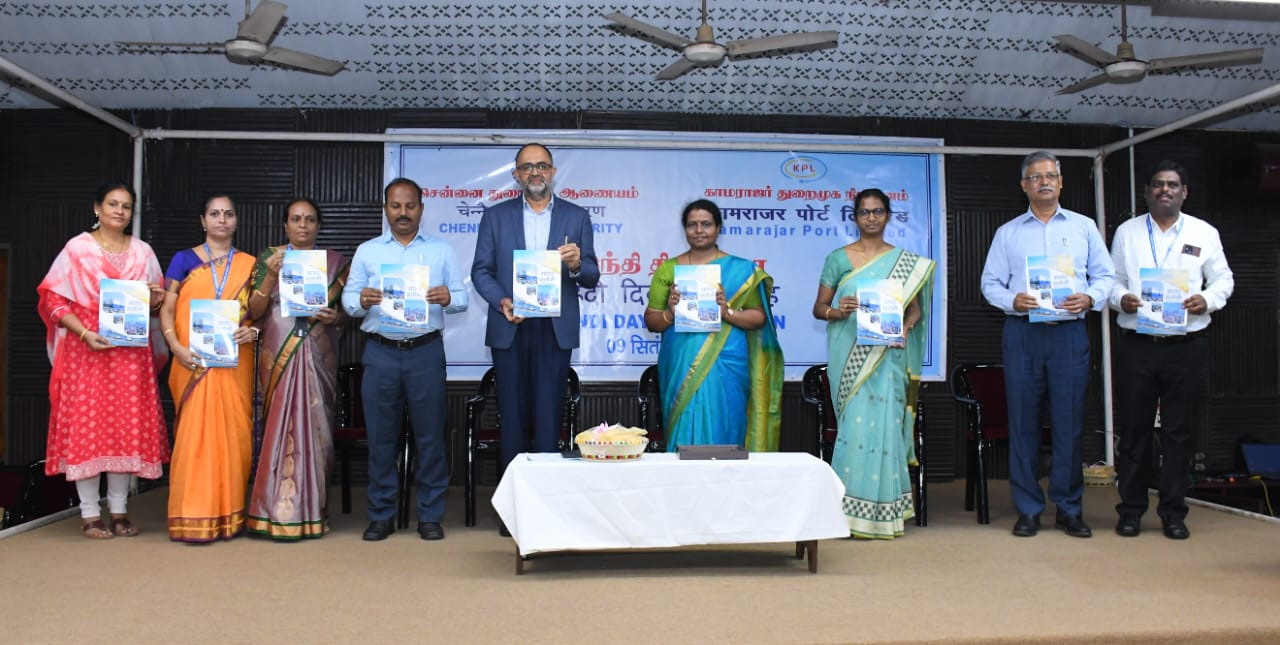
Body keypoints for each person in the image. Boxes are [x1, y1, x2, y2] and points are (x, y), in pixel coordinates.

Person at [980, 151, 1115, 538]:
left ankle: (1070, 508)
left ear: (1061, 182)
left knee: (1069, 424)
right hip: (1023, 333)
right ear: (1024, 185)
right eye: (1035, 177)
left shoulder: (1085, 227)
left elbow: (1105, 275)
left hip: (1068, 335)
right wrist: (1012, 300)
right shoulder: (1008, 232)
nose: (1043, 182)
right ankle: (1028, 509)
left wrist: (1089, 297)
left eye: (1050, 176)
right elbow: (990, 284)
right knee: (1022, 423)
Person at [36, 182, 170, 539]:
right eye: (112, 204)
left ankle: (120, 511)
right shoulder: (77, 249)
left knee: (124, 430)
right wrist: (83, 334)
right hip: (88, 351)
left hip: (130, 356)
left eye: (126, 206)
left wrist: (156, 299)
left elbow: (156, 304)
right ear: (97, 207)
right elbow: (54, 301)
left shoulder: (143, 252)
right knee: (88, 430)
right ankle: (90, 514)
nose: (119, 211)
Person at [1109, 161, 1232, 540]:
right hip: (1138, 345)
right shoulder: (1127, 232)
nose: (1165, 190)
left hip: (1186, 346)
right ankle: (1130, 510)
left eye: (1173, 185)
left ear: (1184, 192)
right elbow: (1111, 281)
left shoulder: (1204, 233)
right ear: (1146, 191)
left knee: (1179, 433)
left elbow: (1224, 279)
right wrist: (1120, 299)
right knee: (1134, 432)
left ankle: (1174, 513)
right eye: (1159, 185)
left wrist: (1206, 300)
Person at [471, 144, 599, 501]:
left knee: (548, 417)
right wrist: (502, 301)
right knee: (510, 416)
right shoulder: (495, 217)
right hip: (511, 323)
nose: (535, 173)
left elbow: (590, 275)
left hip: (554, 328)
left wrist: (575, 265)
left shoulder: (576, 216)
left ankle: (543, 502)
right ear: (516, 175)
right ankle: (514, 503)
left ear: (553, 171)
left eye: (541, 166)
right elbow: (480, 271)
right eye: (527, 167)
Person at [342, 178, 467, 542]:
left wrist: (447, 296)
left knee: (430, 438)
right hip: (380, 351)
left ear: (421, 210)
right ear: (386, 209)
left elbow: (461, 298)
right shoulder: (367, 251)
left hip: (425, 352)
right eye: (395, 206)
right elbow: (348, 302)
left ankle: (430, 516)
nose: (403, 213)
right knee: (382, 439)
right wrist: (362, 299)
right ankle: (381, 515)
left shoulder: (441, 251)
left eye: (410, 206)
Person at [810, 188, 934, 539]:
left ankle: (885, 513)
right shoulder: (837, 259)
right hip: (848, 355)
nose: (871, 218)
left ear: (887, 215)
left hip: (888, 357)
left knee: (885, 430)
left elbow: (914, 310)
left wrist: (905, 329)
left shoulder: (904, 262)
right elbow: (818, 309)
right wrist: (838, 309)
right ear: (855, 217)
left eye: (877, 211)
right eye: (864, 212)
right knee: (854, 429)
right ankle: (846, 514)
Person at [245, 198, 350, 540]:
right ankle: (269, 511)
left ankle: (313, 510)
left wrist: (337, 317)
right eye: (296, 219)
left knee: (317, 430)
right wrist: (272, 275)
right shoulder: (268, 258)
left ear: (318, 226)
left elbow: (344, 317)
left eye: (309, 220)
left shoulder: (334, 264)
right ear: (285, 225)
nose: (303, 226)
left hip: (318, 353)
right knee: (277, 426)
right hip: (278, 351)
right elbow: (255, 311)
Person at [643, 199, 784, 451]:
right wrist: (670, 313)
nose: (699, 230)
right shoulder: (669, 269)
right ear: (684, 229)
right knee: (683, 425)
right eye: (692, 225)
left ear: (718, 228)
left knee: (726, 422)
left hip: (728, 361)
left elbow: (758, 318)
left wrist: (726, 312)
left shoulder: (742, 269)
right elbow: (652, 320)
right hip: (680, 360)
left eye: (706, 224)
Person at [159, 194, 260, 542]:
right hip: (192, 362)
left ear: (236, 221)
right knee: (193, 439)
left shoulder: (251, 264)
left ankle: (229, 517)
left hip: (235, 363)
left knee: (234, 437)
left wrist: (255, 331)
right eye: (214, 214)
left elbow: (262, 315)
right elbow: (167, 309)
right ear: (203, 220)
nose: (221, 219)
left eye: (228, 214)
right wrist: (175, 347)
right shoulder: (183, 260)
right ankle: (191, 515)